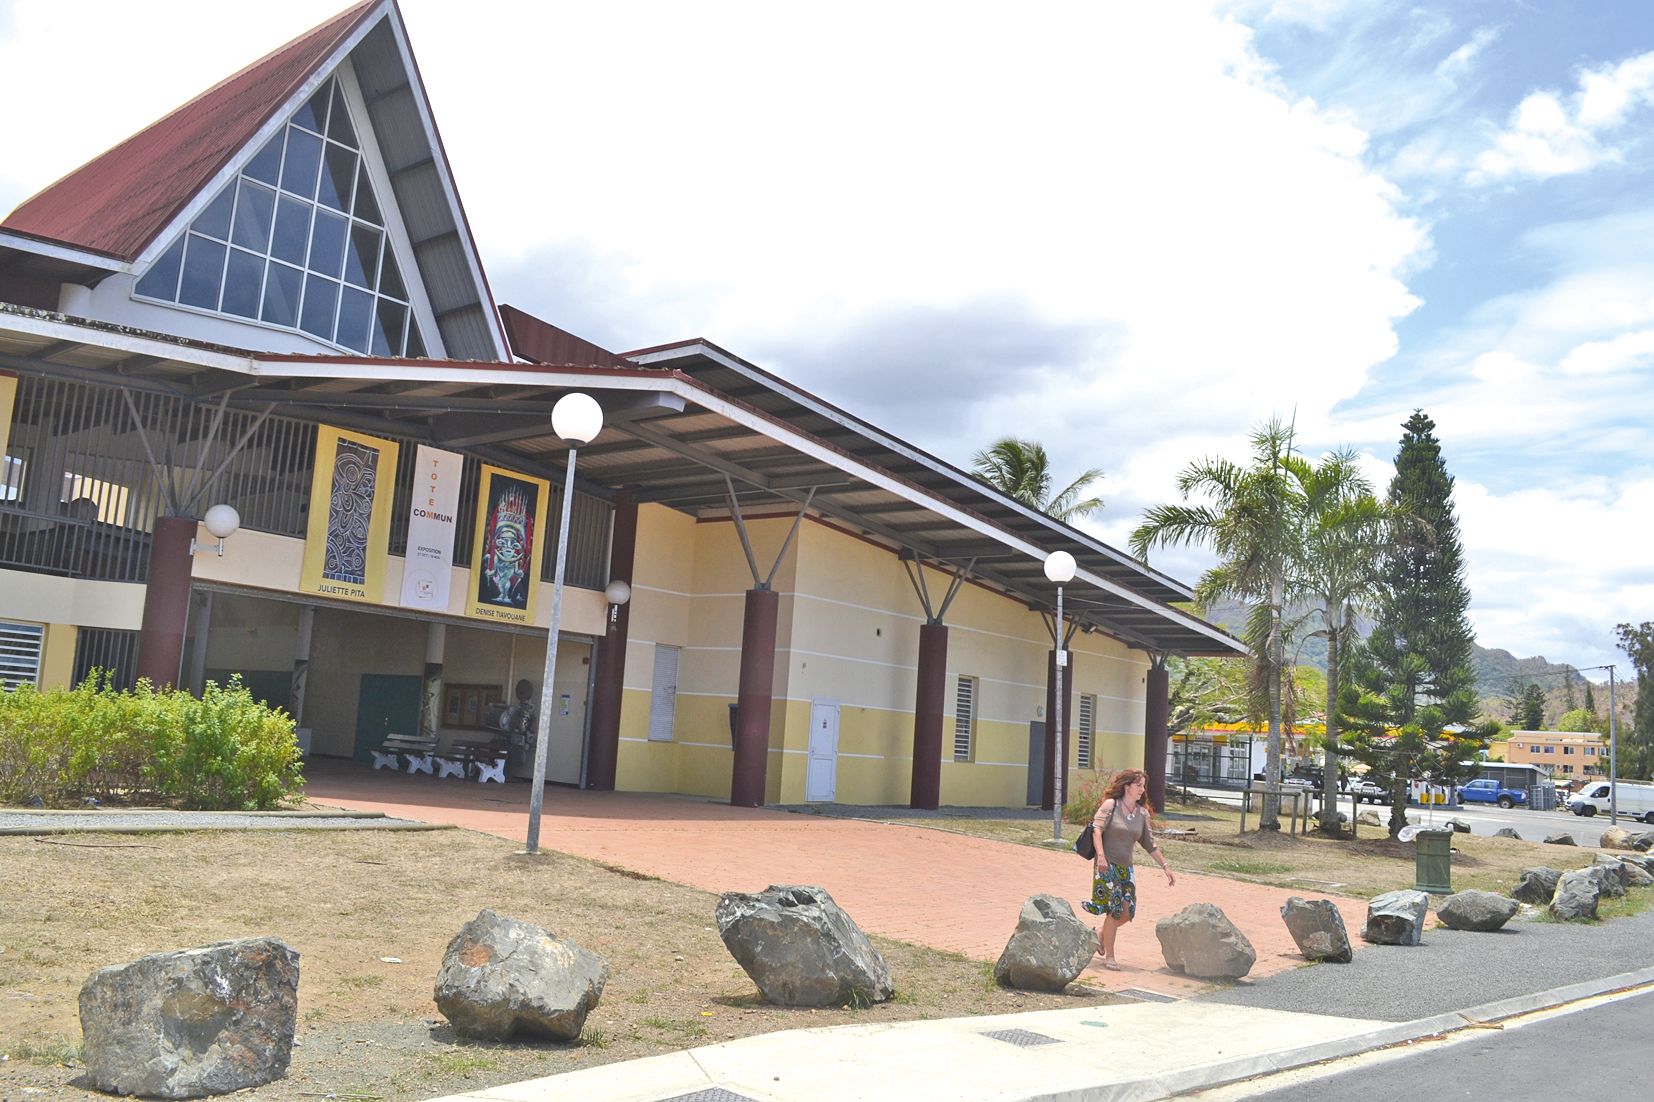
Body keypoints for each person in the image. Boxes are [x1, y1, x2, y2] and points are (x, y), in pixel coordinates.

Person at [1081, 767, 1174, 970]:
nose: (1142, 789)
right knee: (1114, 912)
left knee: (1126, 913)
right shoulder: (1110, 805)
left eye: (1143, 786)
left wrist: (1165, 866)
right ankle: (1110, 957)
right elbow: (1096, 831)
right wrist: (1102, 857)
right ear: (1126, 786)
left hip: (1126, 869)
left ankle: (1098, 935)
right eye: (1138, 785)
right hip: (1106, 865)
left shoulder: (1142, 813)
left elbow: (1149, 843)